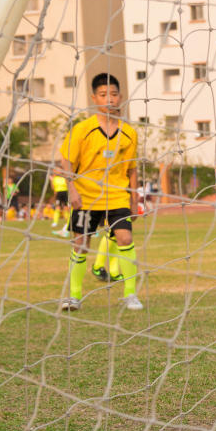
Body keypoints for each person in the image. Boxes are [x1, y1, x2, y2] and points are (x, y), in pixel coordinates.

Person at [58, 73, 142, 311]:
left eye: (114, 95)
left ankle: (130, 294)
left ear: (120, 97)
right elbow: (66, 161)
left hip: (117, 197)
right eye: (104, 95)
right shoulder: (82, 130)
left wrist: (134, 199)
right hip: (85, 198)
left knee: (125, 238)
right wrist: (71, 190)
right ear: (94, 98)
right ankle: (74, 295)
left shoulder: (129, 133)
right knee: (81, 245)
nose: (109, 100)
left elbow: (132, 169)